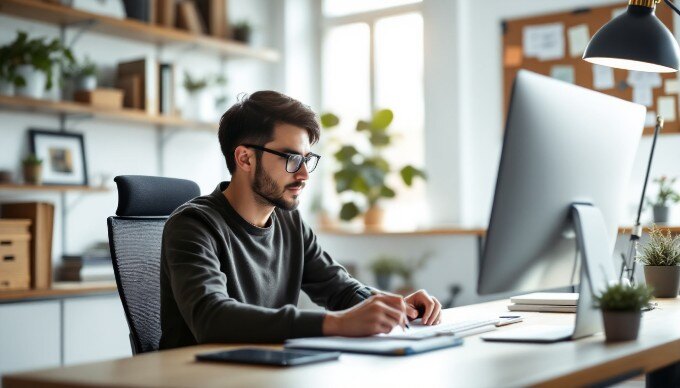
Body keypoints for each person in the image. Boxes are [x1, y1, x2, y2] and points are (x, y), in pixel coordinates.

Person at [159, 91, 441, 349]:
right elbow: (212, 319)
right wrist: (337, 324)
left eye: (307, 159)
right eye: (292, 158)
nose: (304, 174)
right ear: (245, 159)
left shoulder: (289, 221)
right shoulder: (193, 225)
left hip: (264, 373)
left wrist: (394, 307)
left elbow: (339, 288)